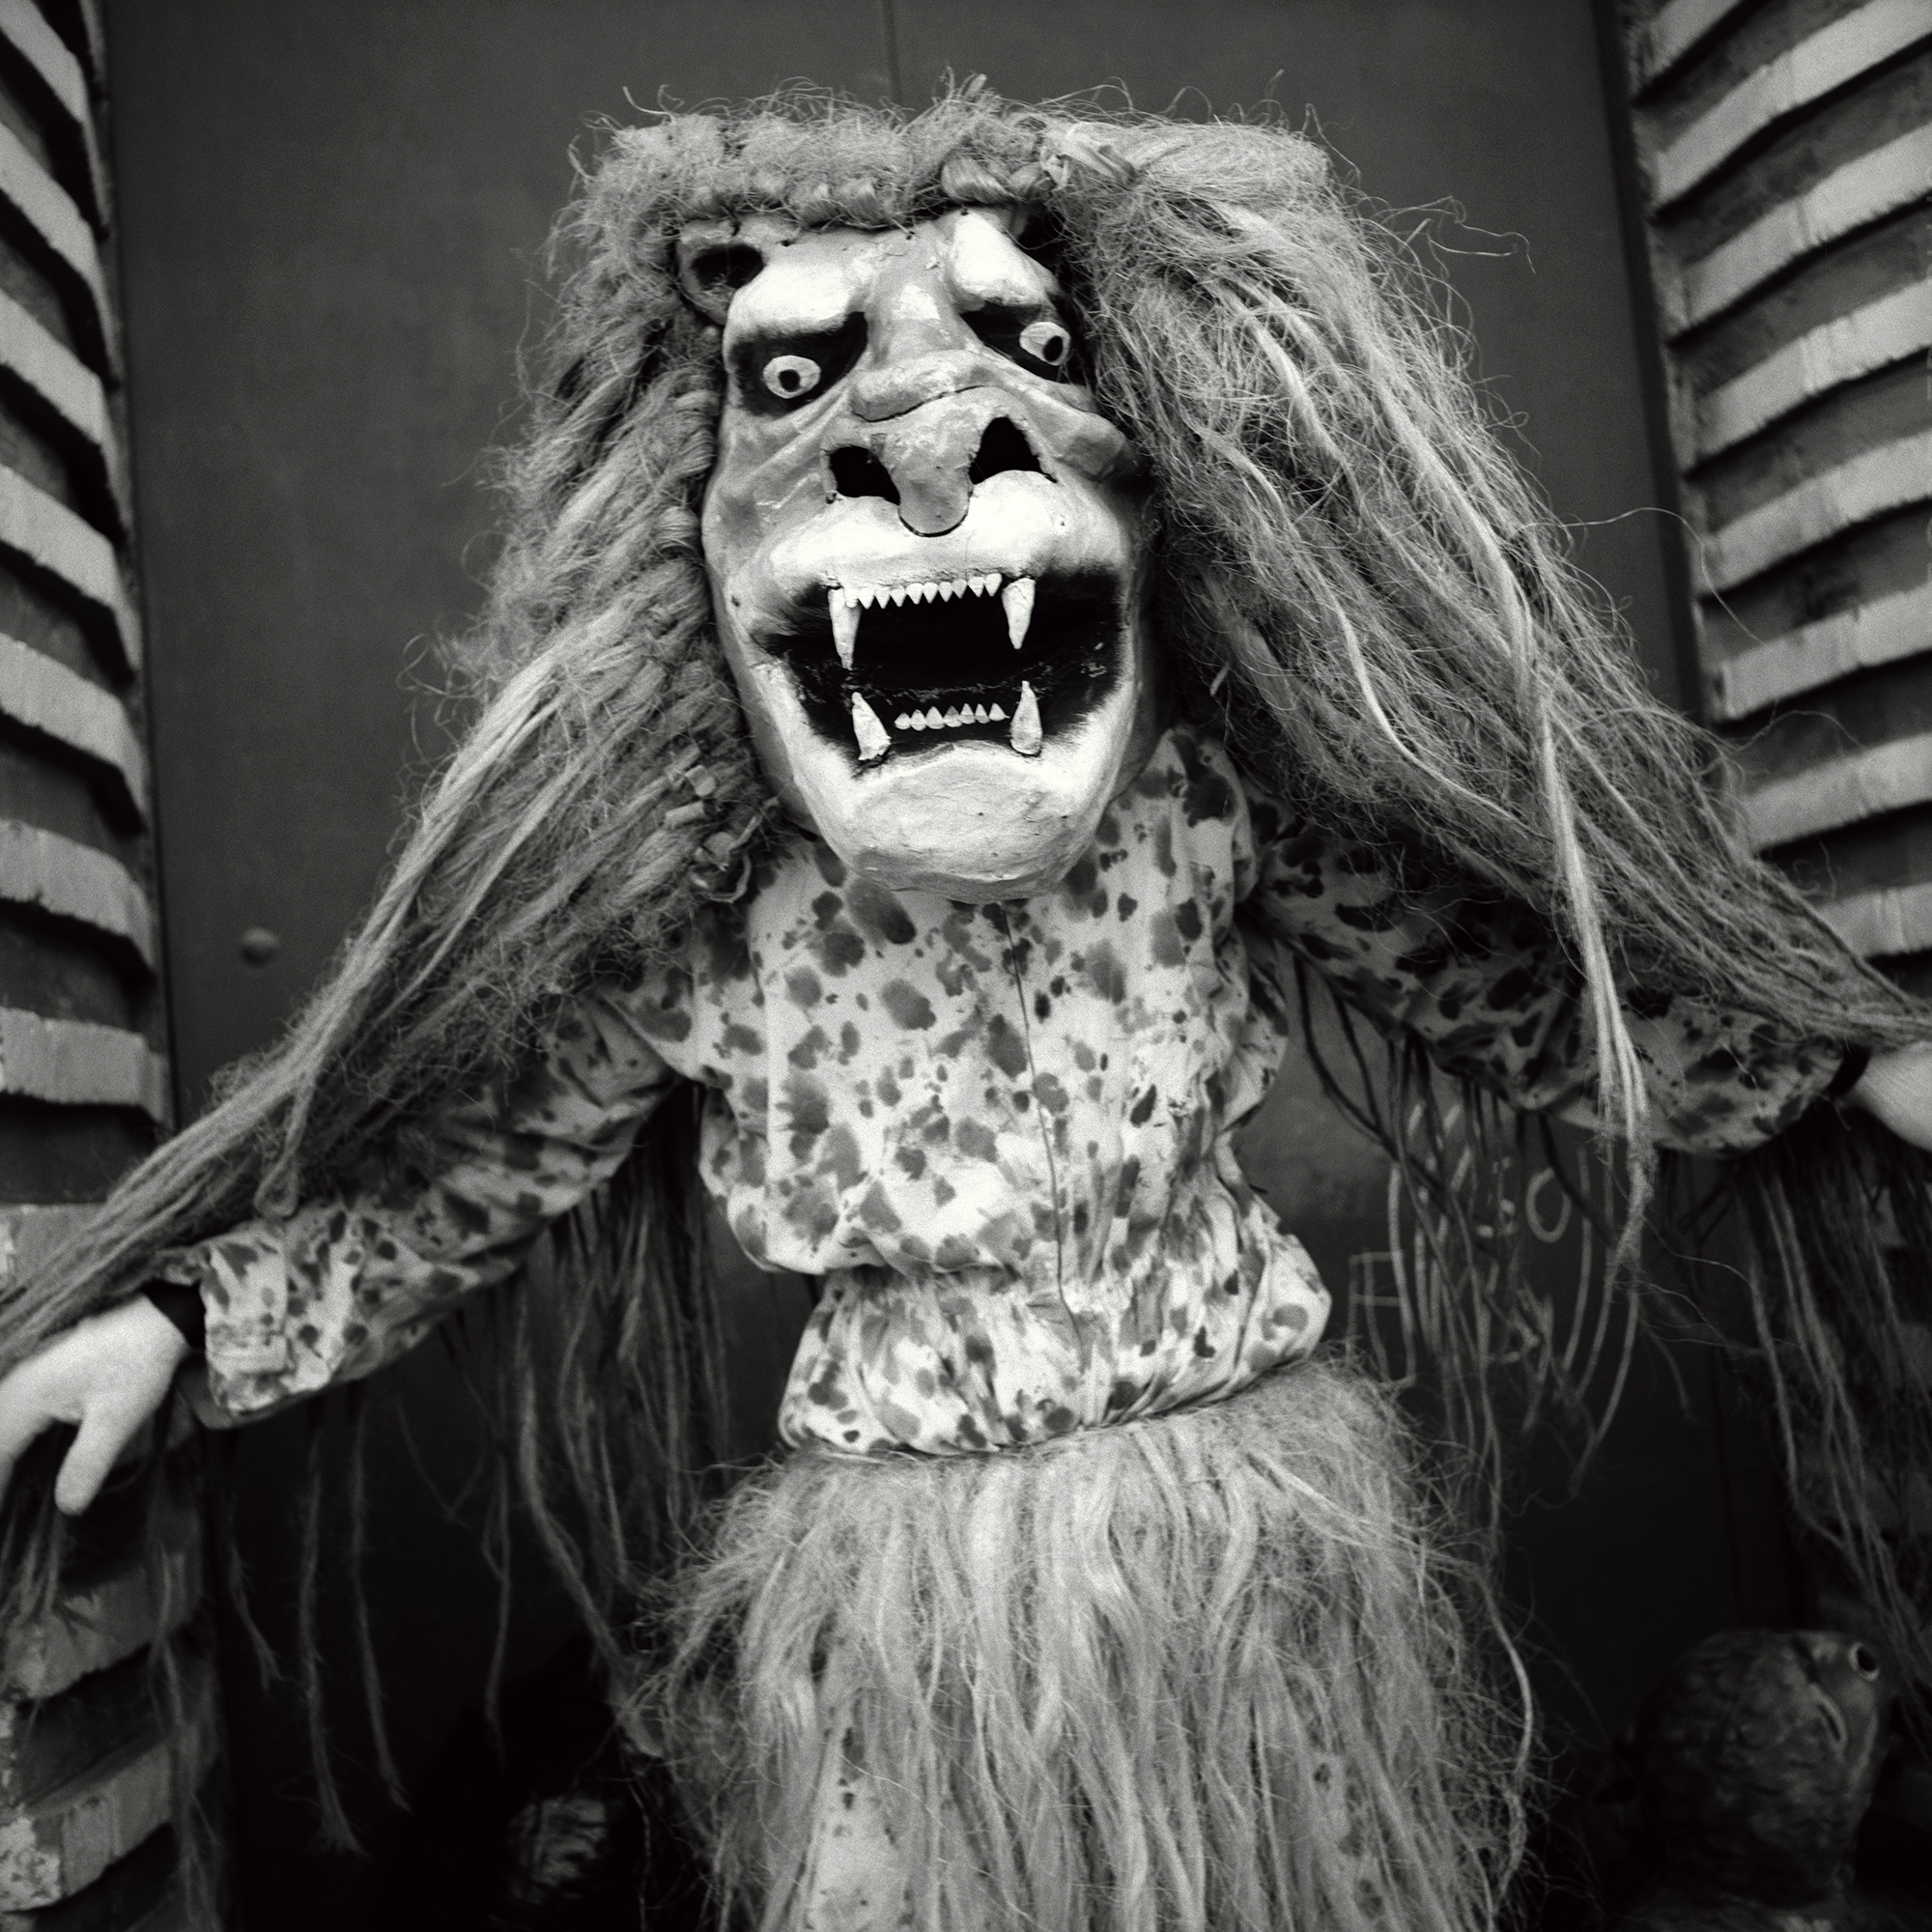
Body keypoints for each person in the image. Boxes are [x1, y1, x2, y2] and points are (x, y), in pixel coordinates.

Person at [3, 92, 1929, 1932]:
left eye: (1023, 355)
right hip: (905, 1602)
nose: (928, 440)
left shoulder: (1202, 814)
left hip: (1246, 1542)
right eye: (798, 375)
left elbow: (1525, 994)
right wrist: (188, 1322)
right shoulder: (698, 922)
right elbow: (457, 1193)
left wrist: (1836, 1064)